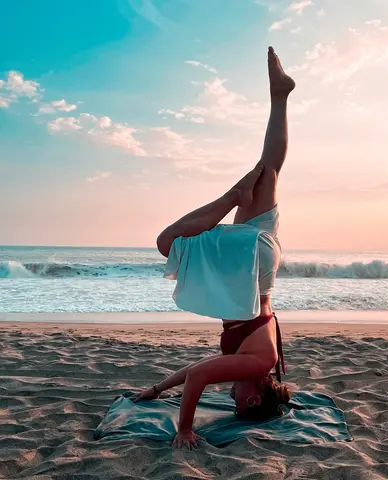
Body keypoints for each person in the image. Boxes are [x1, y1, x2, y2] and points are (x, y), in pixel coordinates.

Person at [132, 46, 296, 449]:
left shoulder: (261, 364)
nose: (230, 398)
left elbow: (196, 369)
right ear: (253, 397)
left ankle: (280, 97)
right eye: (237, 404)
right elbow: (203, 376)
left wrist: (156, 389)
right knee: (166, 242)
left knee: (268, 170)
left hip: (256, 266)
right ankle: (230, 196)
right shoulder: (259, 363)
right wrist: (185, 428)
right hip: (248, 268)